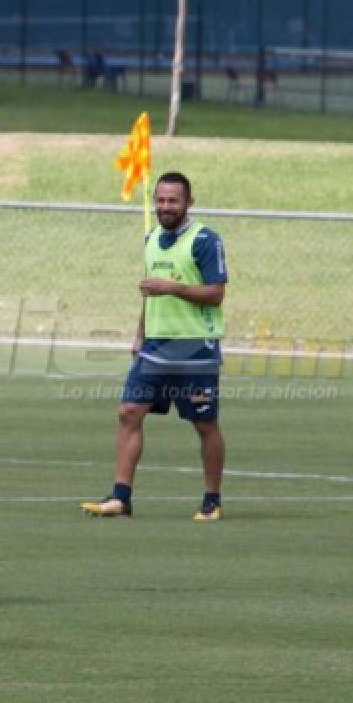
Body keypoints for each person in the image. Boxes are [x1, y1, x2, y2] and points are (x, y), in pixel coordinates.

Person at [81, 172, 228, 521]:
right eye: (160, 200)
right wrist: (139, 333)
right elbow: (150, 296)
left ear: (189, 202)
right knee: (128, 413)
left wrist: (171, 287)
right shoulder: (150, 238)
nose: (165, 207)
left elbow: (216, 293)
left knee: (204, 424)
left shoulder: (205, 239)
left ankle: (212, 499)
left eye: (172, 201)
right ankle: (120, 497)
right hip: (154, 347)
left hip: (194, 349)